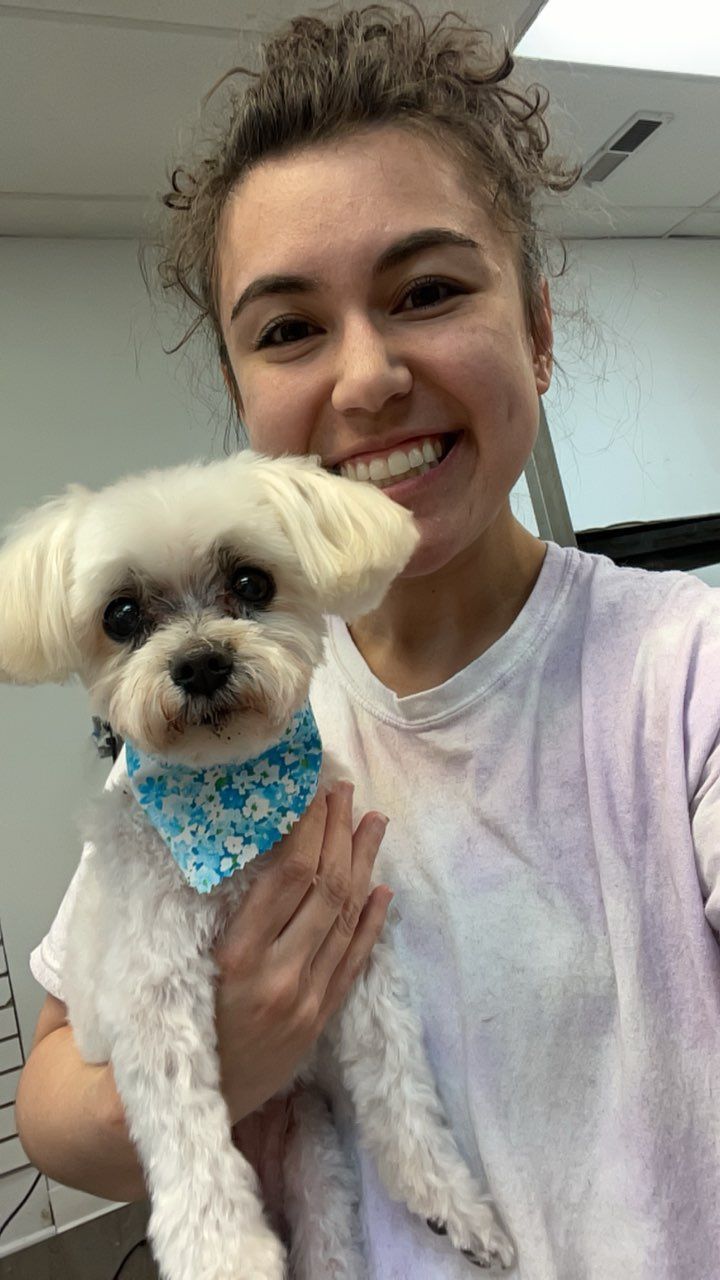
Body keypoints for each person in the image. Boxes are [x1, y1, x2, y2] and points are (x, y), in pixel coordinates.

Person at [14, 5, 720, 1277]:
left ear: (540, 329)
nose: (364, 380)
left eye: (430, 289)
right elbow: (52, 1099)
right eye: (287, 327)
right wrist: (231, 1057)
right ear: (240, 395)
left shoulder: (688, 679)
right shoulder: (191, 761)